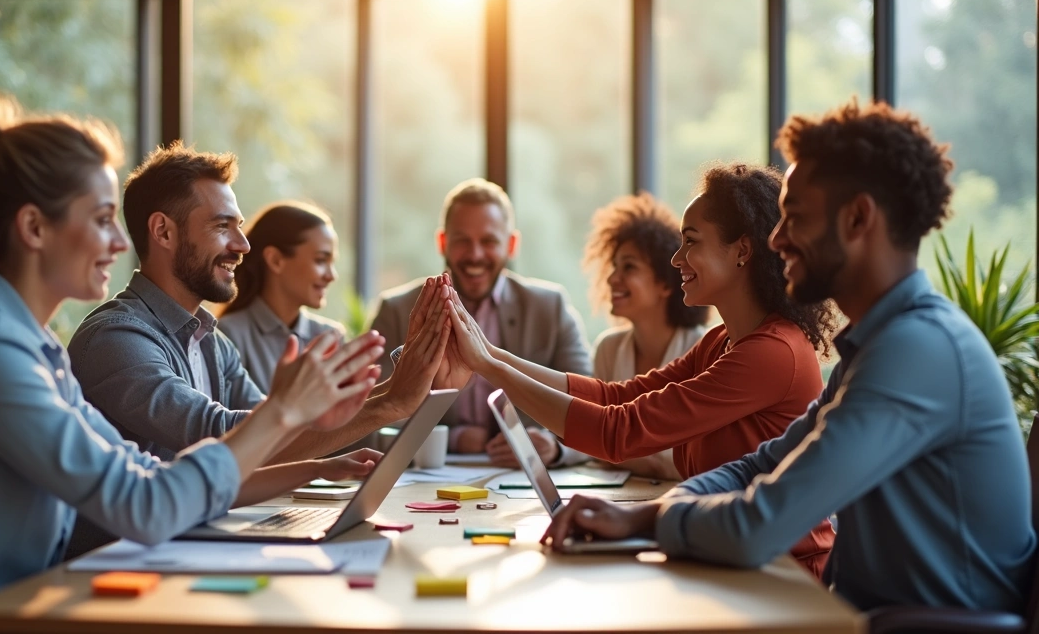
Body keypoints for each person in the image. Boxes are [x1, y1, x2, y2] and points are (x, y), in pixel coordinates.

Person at [0, 91, 384, 625]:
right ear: (35, 228)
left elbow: (148, 476)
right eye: (104, 219)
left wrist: (312, 465)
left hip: (12, 610)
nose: (118, 241)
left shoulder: (30, 345)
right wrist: (283, 412)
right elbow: (145, 508)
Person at [543, 100, 1037, 613]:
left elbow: (761, 524)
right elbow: (762, 466)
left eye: (794, 218)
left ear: (858, 218)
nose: (775, 239)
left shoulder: (917, 351)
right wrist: (651, 513)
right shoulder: (876, 347)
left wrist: (644, 520)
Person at [444, 163, 839, 579]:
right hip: (728, 557)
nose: (677, 258)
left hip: (784, 575)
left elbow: (621, 430)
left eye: (690, 242)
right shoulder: (720, 341)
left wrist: (488, 365)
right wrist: (489, 353)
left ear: (742, 251)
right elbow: (616, 396)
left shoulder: (772, 353)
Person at [68, 142, 453, 467]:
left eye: (239, 225)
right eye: (222, 227)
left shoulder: (213, 343)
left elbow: (270, 433)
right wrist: (390, 402)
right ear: (163, 232)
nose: (243, 245)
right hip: (123, 556)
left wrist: (391, 394)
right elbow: (221, 433)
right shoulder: (115, 338)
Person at [369, 177, 591, 467]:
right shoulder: (398, 310)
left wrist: (554, 447)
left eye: (488, 241)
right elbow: (368, 420)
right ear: (442, 242)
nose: (475, 255)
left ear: (511, 245)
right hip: (425, 483)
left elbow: (591, 408)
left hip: (520, 486)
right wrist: (453, 438)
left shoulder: (550, 307)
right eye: (462, 241)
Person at [576, 193, 709, 480]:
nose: (613, 279)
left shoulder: (703, 349)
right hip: (624, 497)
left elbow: (696, 462)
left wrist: (622, 455)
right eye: (614, 267)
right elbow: (596, 445)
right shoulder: (608, 349)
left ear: (665, 283)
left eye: (629, 267)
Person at [215, 200, 346, 393]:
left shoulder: (331, 337)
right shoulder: (228, 335)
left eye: (331, 262)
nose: (331, 275)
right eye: (320, 260)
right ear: (276, 260)